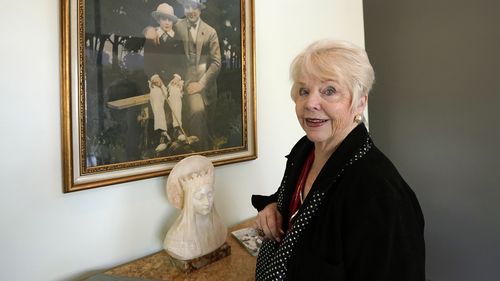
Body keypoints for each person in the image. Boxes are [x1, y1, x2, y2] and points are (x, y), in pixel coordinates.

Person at [252, 39, 425, 281]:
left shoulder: (380, 195)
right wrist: (271, 207)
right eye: (304, 91)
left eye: (329, 91)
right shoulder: (305, 150)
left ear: (359, 102)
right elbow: (295, 204)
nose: (311, 103)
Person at [146, 0, 222, 151]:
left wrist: (200, 84)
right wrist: (148, 30)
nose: (191, 11)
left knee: (197, 111)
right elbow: (161, 23)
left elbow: (216, 63)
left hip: (198, 85)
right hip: (178, 81)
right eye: (187, 7)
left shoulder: (210, 32)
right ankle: (177, 149)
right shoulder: (177, 24)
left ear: (200, 9)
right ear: (183, 9)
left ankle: (200, 155)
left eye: (194, 7)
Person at [164, 155, 227, 260]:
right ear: (188, 200)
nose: (207, 202)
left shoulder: (220, 227)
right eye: (199, 197)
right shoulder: (175, 238)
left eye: (209, 194)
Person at [144, 3, 187, 151]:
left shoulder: (177, 37)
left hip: (172, 78)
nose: (167, 22)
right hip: (157, 79)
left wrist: (178, 76)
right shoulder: (152, 37)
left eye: (169, 19)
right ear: (158, 20)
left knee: (175, 93)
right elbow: (147, 62)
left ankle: (177, 128)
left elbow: (182, 62)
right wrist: (153, 76)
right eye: (163, 19)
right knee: (156, 95)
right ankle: (162, 132)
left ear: (173, 21)